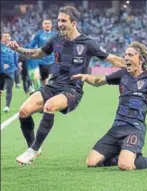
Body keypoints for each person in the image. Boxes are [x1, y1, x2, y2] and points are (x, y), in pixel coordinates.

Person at [7, 6, 126, 165]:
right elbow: (38, 53)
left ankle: (33, 150)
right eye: (58, 20)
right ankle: (32, 147)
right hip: (53, 84)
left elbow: (112, 59)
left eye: (63, 21)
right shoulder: (56, 39)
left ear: (74, 23)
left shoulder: (88, 43)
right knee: (23, 111)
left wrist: (135, 65)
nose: (59, 24)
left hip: (72, 89)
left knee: (50, 106)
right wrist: (19, 49)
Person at [72, 41, 147, 171]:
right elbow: (98, 81)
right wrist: (86, 77)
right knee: (91, 162)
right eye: (125, 55)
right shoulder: (122, 74)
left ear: (140, 59)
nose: (126, 58)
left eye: (130, 55)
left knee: (125, 166)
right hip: (117, 128)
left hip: (134, 129)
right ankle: (124, 155)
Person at [27, 19, 56, 85]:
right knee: (44, 82)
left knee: (50, 81)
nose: (47, 25)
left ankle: (50, 92)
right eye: (45, 23)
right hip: (41, 62)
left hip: (52, 61)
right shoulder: (39, 35)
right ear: (42, 25)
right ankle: (45, 94)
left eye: (49, 23)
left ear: (51, 25)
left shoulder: (55, 35)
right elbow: (31, 46)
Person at [1, 32, 18, 112]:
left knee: (9, 89)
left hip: (11, 71)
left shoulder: (13, 47)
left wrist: (16, 66)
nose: (7, 38)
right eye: (5, 36)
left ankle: (7, 106)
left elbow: (15, 56)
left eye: (8, 36)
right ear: (1, 38)